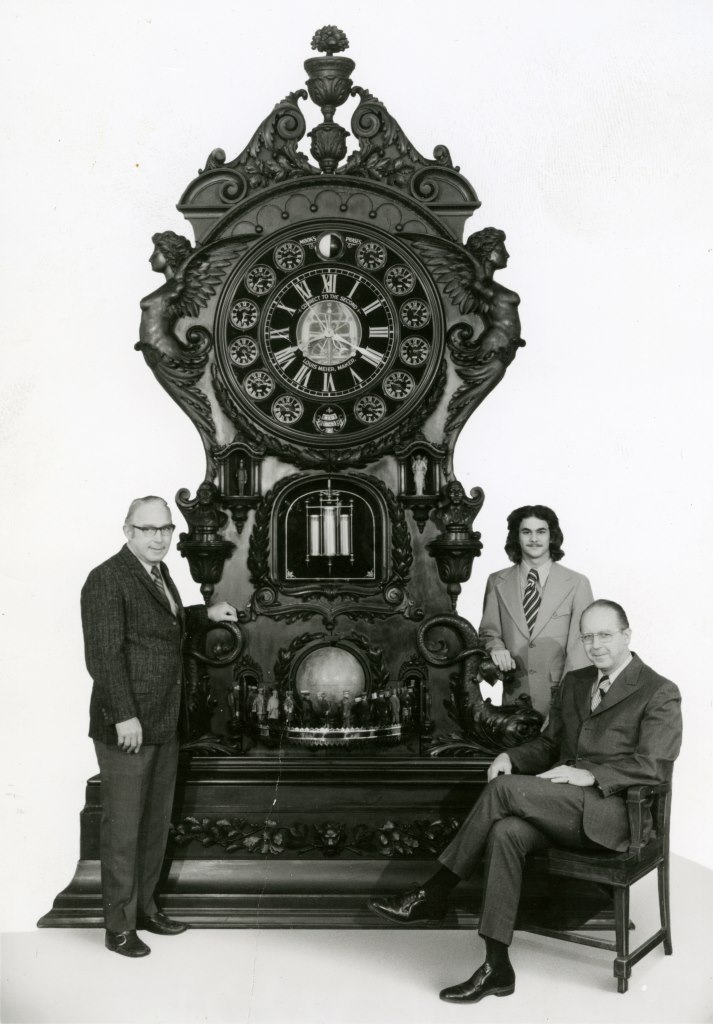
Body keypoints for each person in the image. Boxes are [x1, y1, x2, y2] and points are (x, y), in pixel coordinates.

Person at [368, 600, 682, 1002]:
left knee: (503, 790)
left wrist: (591, 775)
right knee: (506, 831)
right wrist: (510, 757)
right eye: (587, 636)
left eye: (605, 635)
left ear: (626, 635)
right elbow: (549, 745)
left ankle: (434, 892)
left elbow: (654, 765)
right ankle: (496, 966)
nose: (595, 645)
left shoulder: (659, 691)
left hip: (614, 816)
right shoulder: (576, 682)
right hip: (563, 808)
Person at [81, 495, 237, 958]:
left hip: (164, 719)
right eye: (148, 529)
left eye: (165, 529)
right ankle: (118, 926)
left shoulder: (159, 572)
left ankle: (145, 910)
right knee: (124, 828)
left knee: (153, 824)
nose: (158, 538)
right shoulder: (107, 578)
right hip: (128, 725)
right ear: (128, 531)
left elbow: (163, 625)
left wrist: (204, 614)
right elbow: (104, 656)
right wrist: (124, 714)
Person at [480, 504, 593, 718]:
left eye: (541, 531)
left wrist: (567, 701)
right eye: (526, 532)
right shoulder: (496, 581)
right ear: (516, 537)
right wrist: (496, 648)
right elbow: (489, 633)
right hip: (514, 697)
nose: (534, 539)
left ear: (552, 536)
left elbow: (581, 647)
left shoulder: (577, 583)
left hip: (560, 698)